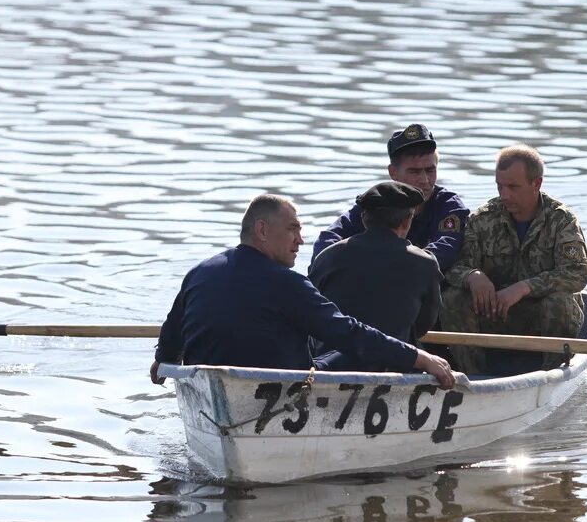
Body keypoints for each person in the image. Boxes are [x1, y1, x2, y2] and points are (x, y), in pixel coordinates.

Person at [150, 193, 455, 389]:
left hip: (212, 387)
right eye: (293, 229)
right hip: (281, 387)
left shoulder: (198, 273)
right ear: (262, 231)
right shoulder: (287, 283)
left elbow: (171, 335)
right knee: (358, 349)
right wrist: (419, 357)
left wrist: (160, 363)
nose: (300, 240)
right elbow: (350, 333)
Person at [442, 144, 587, 373]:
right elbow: (455, 266)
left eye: (513, 187)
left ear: (536, 183)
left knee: (560, 302)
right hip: (494, 315)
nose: (505, 195)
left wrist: (524, 288)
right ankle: (474, 376)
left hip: (540, 317)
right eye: (500, 186)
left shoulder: (561, 220)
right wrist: (473, 276)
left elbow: (577, 274)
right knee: (452, 298)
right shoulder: (484, 219)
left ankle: (551, 374)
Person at [309, 182, 442, 371]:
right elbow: (424, 323)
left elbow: (312, 313)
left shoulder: (328, 256)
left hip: (331, 366)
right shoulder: (426, 263)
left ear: (364, 219)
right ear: (407, 221)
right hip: (395, 366)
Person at [311, 123, 469, 273]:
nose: (425, 180)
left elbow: (446, 248)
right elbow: (328, 240)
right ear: (393, 172)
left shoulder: (448, 206)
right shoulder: (377, 202)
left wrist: (391, 266)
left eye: (430, 170)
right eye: (414, 171)